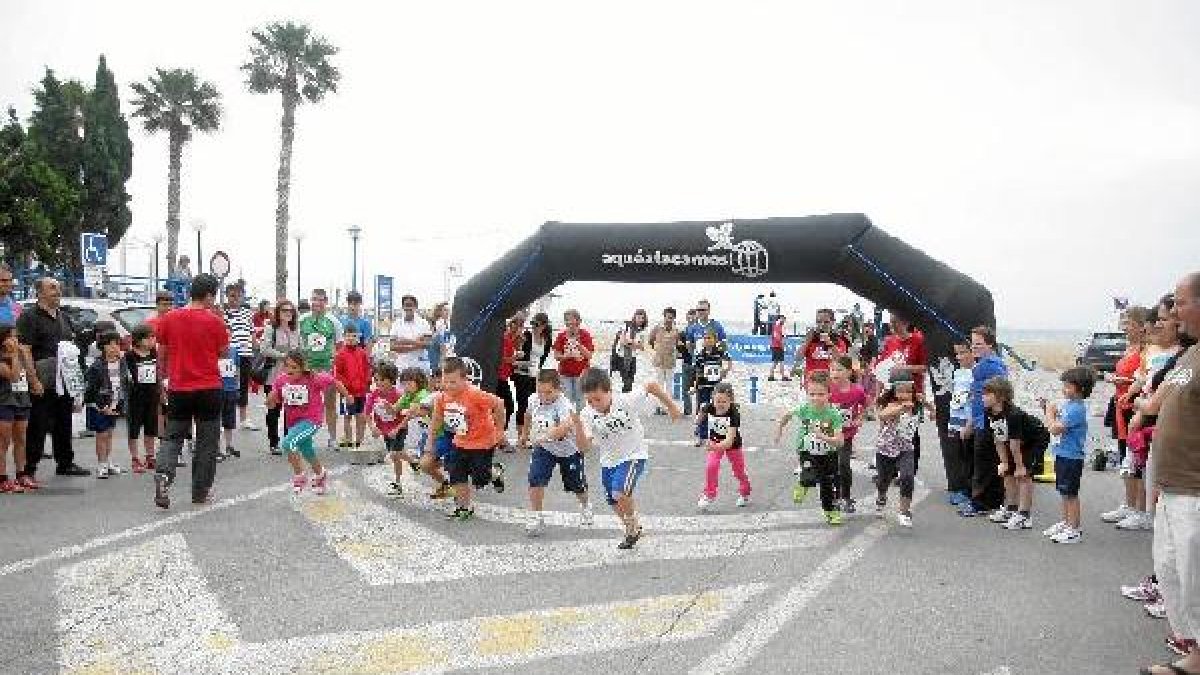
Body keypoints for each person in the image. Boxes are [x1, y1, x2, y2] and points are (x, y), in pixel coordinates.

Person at [1139, 271, 1200, 675]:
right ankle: (1194, 651)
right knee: (1172, 571)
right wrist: (1142, 399)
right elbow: (1159, 402)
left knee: (1196, 578)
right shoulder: (1190, 355)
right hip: (1171, 485)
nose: (1174, 311)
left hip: (1195, 489)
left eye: (1180, 302)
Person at [574, 368, 680, 549]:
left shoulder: (625, 401)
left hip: (633, 455)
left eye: (598, 399)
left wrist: (671, 406)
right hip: (608, 461)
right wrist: (577, 427)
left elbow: (652, 386)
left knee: (620, 491)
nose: (594, 404)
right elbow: (585, 448)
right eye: (589, 400)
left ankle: (631, 527)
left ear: (609, 391)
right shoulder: (587, 414)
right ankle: (633, 527)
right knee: (613, 501)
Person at [152, 273, 229, 509]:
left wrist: (161, 382)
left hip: (179, 387)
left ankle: (164, 475)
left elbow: (161, 353)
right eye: (213, 297)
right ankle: (200, 492)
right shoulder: (215, 321)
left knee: (172, 436)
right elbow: (224, 353)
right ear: (208, 295)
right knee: (207, 442)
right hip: (208, 388)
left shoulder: (169, 319)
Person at [18, 277, 90, 480]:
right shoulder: (29, 317)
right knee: (37, 425)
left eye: (58, 288)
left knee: (64, 422)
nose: (57, 292)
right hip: (42, 379)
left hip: (64, 380)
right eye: (52, 288)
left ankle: (65, 462)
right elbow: (24, 350)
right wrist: (33, 381)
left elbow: (72, 351)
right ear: (39, 293)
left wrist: (76, 384)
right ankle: (29, 468)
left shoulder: (64, 317)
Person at [428, 357, 508, 521]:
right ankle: (464, 508)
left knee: (480, 479)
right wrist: (430, 444)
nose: (449, 386)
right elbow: (436, 421)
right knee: (456, 474)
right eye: (446, 382)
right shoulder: (442, 398)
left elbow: (499, 404)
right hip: (460, 442)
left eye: (453, 382)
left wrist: (500, 432)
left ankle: (494, 472)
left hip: (483, 443)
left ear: (465, 379)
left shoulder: (475, 394)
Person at [267, 350, 349, 495]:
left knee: (288, 444)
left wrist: (348, 396)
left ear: (303, 367)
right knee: (307, 451)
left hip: (311, 420)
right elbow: (274, 400)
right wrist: (270, 400)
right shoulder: (281, 380)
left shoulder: (314, 378)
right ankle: (320, 475)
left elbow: (334, 381)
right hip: (293, 423)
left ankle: (300, 476)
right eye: (287, 366)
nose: (290, 370)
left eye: (294, 367)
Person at [523, 369, 593, 536]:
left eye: (548, 392)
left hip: (569, 451)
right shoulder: (533, 400)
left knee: (577, 485)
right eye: (540, 391)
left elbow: (562, 429)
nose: (543, 396)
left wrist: (541, 438)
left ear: (559, 389)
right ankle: (536, 516)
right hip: (545, 449)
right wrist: (524, 434)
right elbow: (527, 416)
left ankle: (585, 505)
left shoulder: (566, 406)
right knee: (535, 478)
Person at [1102, 307, 1152, 526]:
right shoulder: (1131, 348)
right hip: (1121, 405)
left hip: (1136, 407)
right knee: (1126, 457)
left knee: (1138, 458)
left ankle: (1141, 510)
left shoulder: (1148, 351)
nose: (1125, 328)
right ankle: (1130, 504)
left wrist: (1122, 381)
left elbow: (1148, 380)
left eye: (1129, 324)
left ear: (1143, 326)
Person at [776, 371, 845, 526]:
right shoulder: (805, 409)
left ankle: (831, 511)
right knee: (810, 475)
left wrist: (823, 437)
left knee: (829, 484)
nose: (815, 398)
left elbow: (840, 442)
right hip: (806, 450)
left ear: (829, 393)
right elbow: (787, 415)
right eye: (811, 394)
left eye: (820, 394)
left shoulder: (834, 414)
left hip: (829, 453)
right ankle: (804, 483)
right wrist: (780, 428)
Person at [983, 377, 1050, 531]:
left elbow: (1015, 443)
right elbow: (998, 439)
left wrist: (1020, 466)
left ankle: (1024, 515)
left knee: (1023, 475)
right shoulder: (989, 412)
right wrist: (1004, 462)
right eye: (983, 393)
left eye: (988, 394)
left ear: (1001, 396)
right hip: (1014, 442)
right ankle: (1011, 508)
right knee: (1007, 472)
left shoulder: (1013, 415)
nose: (983, 397)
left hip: (1034, 440)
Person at [1041, 367, 1096, 545]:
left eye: (1068, 386)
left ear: (1081, 389)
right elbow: (1056, 420)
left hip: (1071, 457)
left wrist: (1049, 413)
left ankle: (1074, 528)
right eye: (1064, 385)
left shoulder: (1076, 409)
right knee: (1064, 492)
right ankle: (1065, 523)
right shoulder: (1069, 405)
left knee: (1070, 494)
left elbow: (1055, 429)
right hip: (1062, 454)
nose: (1064, 389)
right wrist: (1047, 409)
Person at [958, 326, 1008, 517]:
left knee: (984, 463)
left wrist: (975, 422)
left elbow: (998, 394)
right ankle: (990, 500)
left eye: (978, 344)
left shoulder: (991, 365)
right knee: (983, 461)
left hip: (987, 420)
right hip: (981, 419)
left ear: (990, 344)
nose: (974, 347)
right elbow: (976, 397)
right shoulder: (984, 363)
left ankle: (981, 503)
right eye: (973, 343)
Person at [299, 289, 344, 450]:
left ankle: (332, 438)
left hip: (327, 368)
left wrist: (333, 360)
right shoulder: (302, 319)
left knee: (330, 404)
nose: (316, 303)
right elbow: (298, 343)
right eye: (314, 299)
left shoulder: (333, 321)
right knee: (305, 403)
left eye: (320, 300)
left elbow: (339, 346)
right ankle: (304, 438)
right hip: (307, 368)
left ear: (325, 301)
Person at [696, 382, 751, 512]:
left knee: (738, 471)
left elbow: (729, 441)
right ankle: (709, 494)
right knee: (711, 466)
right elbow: (698, 419)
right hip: (715, 441)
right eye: (717, 401)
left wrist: (713, 447)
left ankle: (745, 491)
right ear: (713, 399)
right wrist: (700, 418)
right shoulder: (709, 407)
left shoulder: (734, 414)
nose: (720, 405)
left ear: (730, 401)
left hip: (732, 445)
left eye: (724, 402)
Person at [83, 331, 131, 478]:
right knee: (102, 434)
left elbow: (125, 384)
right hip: (100, 406)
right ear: (102, 347)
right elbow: (91, 390)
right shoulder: (96, 366)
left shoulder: (122, 363)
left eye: (117, 344)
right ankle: (101, 464)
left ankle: (108, 461)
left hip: (115, 403)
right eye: (110, 344)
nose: (114, 347)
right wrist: (102, 406)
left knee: (110, 434)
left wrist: (120, 404)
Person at [873, 379, 919, 527]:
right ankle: (881, 497)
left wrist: (931, 409)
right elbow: (883, 415)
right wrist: (901, 408)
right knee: (883, 481)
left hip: (905, 449)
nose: (904, 395)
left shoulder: (916, 406)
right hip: (886, 450)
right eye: (900, 391)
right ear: (894, 393)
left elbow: (932, 409)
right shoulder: (892, 405)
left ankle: (904, 511)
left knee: (907, 476)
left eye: (908, 392)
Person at [260, 299, 301, 455]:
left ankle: (288, 440)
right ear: (278, 312)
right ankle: (273, 442)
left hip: (293, 378)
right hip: (274, 376)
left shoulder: (295, 331)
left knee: (292, 410)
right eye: (284, 310)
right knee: (274, 410)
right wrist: (283, 356)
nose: (288, 313)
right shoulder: (271, 329)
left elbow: (301, 351)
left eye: (290, 311)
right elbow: (264, 349)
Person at [829, 356, 867, 513]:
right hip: (828, 434)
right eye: (833, 369)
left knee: (843, 464)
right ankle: (834, 496)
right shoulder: (828, 388)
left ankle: (846, 497)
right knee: (831, 467)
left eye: (839, 370)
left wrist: (859, 417)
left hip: (846, 434)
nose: (835, 373)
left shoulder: (857, 390)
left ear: (849, 372)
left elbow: (865, 405)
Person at [0, 324, 33, 493]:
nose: (15, 340)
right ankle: (2, 478)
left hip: (22, 399)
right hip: (5, 401)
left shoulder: (19, 353)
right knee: (3, 442)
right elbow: (12, 376)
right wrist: (13, 355)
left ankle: (22, 473)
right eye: (11, 337)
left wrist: (25, 355)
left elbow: (27, 372)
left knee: (21, 439)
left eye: (16, 337)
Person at [942, 341, 975, 506]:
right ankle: (961, 488)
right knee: (958, 455)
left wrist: (970, 424)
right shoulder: (958, 373)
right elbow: (956, 398)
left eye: (963, 353)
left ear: (972, 353)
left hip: (968, 422)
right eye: (957, 354)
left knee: (969, 457)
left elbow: (974, 401)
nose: (959, 357)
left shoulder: (976, 372)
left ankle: (970, 491)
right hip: (955, 420)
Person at [222, 282, 258, 431]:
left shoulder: (247, 313)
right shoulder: (222, 313)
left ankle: (243, 418)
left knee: (243, 386)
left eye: (238, 295)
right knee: (227, 387)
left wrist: (255, 345)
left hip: (246, 353)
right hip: (229, 355)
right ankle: (224, 419)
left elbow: (252, 332)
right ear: (227, 296)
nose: (235, 298)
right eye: (232, 295)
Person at [365, 363, 406, 496]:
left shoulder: (398, 395)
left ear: (392, 379)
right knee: (397, 454)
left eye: (382, 379)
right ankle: (413, 462)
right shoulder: (373, 394)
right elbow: (366, 413)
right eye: (376, 379)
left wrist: (397, 429)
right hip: (385, 430)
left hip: (399, 429)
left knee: (394, 455)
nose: (378, 382)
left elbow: (407, 417)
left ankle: (398, 484)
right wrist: (373, 427)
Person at [124, 324, 159, 473]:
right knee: (134, 429)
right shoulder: (130, 356)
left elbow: (157, 371)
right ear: (139, 340)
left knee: (151, 428)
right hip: (135, 397)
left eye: (153, 337)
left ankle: (150, 456)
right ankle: (135, 458)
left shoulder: (153, 353)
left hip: (152, 395)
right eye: (149, 337)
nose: (153, 340)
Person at [514, 312, 553, 445]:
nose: (533, 327)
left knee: (533, 405)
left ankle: (527, 435)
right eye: (532, 323)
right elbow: (518, 354)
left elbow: (542, 358)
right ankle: (521, 437)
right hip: (521, 373)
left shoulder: (547, 339)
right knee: (523, 404)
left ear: (544, 326)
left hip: (535, 375)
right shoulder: (526, 336)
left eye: (536, 324)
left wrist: (538, 373)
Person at [334, 324, 371, 449]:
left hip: (361, 391)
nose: (351, 338)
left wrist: (366, 384)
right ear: (344, 337)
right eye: (348, 336)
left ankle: (359, 441)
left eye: (353, 336)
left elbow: (367, 370)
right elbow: (338, 375)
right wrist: (346, 390)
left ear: (358, 337)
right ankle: (349, 439)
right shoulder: (340, 354)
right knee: (347, 417)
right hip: (348, 393)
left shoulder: (362, 353)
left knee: (361, 416)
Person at [692, 330, 732, 447]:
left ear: (715, 340)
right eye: (705, 338)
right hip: (703, 387)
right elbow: (698, 373)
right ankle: (701, 435)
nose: (707, 340)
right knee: (702, 409)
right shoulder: (700, 355)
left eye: (709, 338)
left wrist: (725, 370)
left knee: (716, 410)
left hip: (716, 388)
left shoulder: (719, 353)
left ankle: (717, 435)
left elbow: (729, 360)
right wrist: (694, 387)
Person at [553, 309, 594, 408]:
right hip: (565, 374)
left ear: (578, 321)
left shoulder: (585, 334)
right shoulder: (561, 336)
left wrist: (578, 344)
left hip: (581, 374)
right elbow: (556, 356)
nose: (569, 322)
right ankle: (569, 423)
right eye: (567, 320)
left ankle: (580, 422)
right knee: (567, 402)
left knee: (581, 403)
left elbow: (589, 356)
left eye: (572, 319)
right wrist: (566, 356)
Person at [647, 308, 681, 415]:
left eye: (671, 317)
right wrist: (657, 349)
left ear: (674, 318)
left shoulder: (677, 331)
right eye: (667, 316)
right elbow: (650, 340)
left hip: (670, 361)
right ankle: (658, 407)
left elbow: (678, 344)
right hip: (658, 360)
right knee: (659, 384)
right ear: (664, 316)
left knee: (669, 385)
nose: (668, 319)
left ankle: (668, 407)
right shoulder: (657, 328)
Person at [800, 308, 849, 379]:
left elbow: (842, 361)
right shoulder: (810, 338)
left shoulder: (838, 339)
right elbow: (798, 357)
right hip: (813, 383)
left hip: (832, 382)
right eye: (819, 322)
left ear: (833, 322)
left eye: (826, 322)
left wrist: (829, 343)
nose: (822, 325)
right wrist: (807, 341)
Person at [389, 295, 432, 373]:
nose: (408, 308)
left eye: (411, 305)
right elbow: (392, 347)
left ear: (415, 306)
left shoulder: (424, 323)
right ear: (403, 307)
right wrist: (418, 343)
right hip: (402, 366)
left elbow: (428, 344)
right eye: (406, 305)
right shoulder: (396, 324)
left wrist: (405, 341)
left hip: (420, 365)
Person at [495, 318, 520, 445]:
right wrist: (513, 358)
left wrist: (514, 359)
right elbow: (502, 358)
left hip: (503, 377)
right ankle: (499, 435)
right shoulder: (497, 341)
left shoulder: (507, 341)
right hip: (496, 378)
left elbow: (509, 360)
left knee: (508, 407)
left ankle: (499, 435)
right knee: (506, 406)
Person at [611, 309, 649, 393]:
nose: (640, 320)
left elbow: (642, 347)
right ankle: (621, 402)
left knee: (630, 381)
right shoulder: (626, 326)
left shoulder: (641, 331)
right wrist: (635, 344)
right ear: (634, 317)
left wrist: (630, 342)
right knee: (623, 382)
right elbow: (622, 341)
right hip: (621, 357)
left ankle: (626, 402)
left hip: (633, 358)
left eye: (642, 318)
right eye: (638, 317)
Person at [217, 338, 241, 461]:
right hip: (217, 388)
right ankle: (217, 447)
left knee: (230, 418)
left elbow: (237, 369)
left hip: (231, 388)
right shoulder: (214, 350)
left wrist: (237, 387)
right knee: (217, 419)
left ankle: (228, 445)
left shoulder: (234, 350)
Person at [678, 308, 699, 415]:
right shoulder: (683, 332)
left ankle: (700, 411)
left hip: (699, 364)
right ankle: (687, 411)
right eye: (689, 316)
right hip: (686, 363)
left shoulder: (700, 332)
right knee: (685, 389)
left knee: (700, 389)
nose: (691, 318)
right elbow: (679, 349)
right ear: (686, 318)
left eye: (693, 316)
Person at [768, 312, 790, 382]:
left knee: (776, 362)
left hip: (776, 346)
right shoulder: (777, 326)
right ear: (780, 319)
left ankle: (771, 376)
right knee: (780, 361)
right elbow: (777, 337)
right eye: (783, 319)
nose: (784, 321)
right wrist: (783, 344)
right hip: (777, 346)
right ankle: (782, 376)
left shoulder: (777, 326)